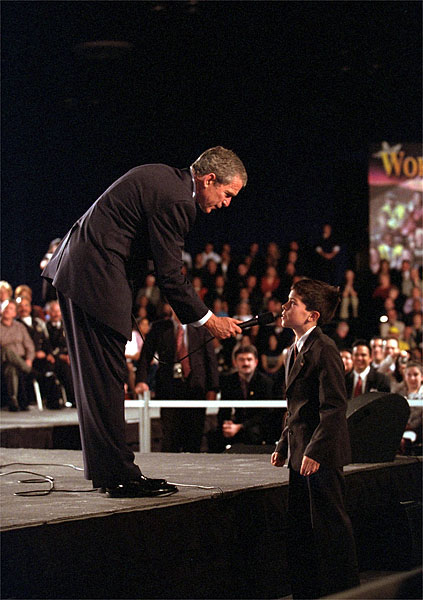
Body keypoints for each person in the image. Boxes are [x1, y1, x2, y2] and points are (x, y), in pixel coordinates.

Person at [42, 146, 247, 498]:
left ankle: (109, 471)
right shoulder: (179, 201)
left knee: (97, 380)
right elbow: (170, 276)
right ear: (209, 179)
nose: (226, 203)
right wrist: (210, 321)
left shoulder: (163, 177)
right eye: (227, 194)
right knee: (106, 379)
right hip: (93, 279)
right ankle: (119, 475)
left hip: (80, 273)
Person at [271, 278, 359, 599]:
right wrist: (283, 444)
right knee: (303, 529)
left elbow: (334, 406)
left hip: (320, 456)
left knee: (330, 527)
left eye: (292, 303)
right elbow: (297, 408)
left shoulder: (325, 350)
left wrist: (315, 451)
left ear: (313, 315)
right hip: (300, 455)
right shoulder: (294, 349)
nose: (284, 307)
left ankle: (345, 591)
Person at [135, 309, 219, 453]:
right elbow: (145, 356)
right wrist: (141, 381)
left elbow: (210, 360)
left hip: (196, 390)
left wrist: (213, 389)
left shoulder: (200, 328)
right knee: (170, 437)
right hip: (168, 390)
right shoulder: (159, 328)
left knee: (194, 437)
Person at [210, 344, 278, 452]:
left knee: (253, 432)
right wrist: (226, 424)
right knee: (214, 436)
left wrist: (240, 426)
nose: (245, 363)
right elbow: (224, 409)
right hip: (235, 426)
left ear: (255, 362)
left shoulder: (266, 382)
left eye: (249, 359)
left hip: (258, 427)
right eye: (241, 360)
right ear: (235, 362)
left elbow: (267, 413)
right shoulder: (228, 382)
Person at [1, 300, 35, 411]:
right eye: (5, 308)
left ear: (14, 313)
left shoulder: (20, 326)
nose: (7, 310)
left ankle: (13, 401)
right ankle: (29, 370)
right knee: (6, 350)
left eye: (10, 308)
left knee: (11, 369)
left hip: (17, 361)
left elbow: (29, 346)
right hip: (2, 359)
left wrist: (29, 359)